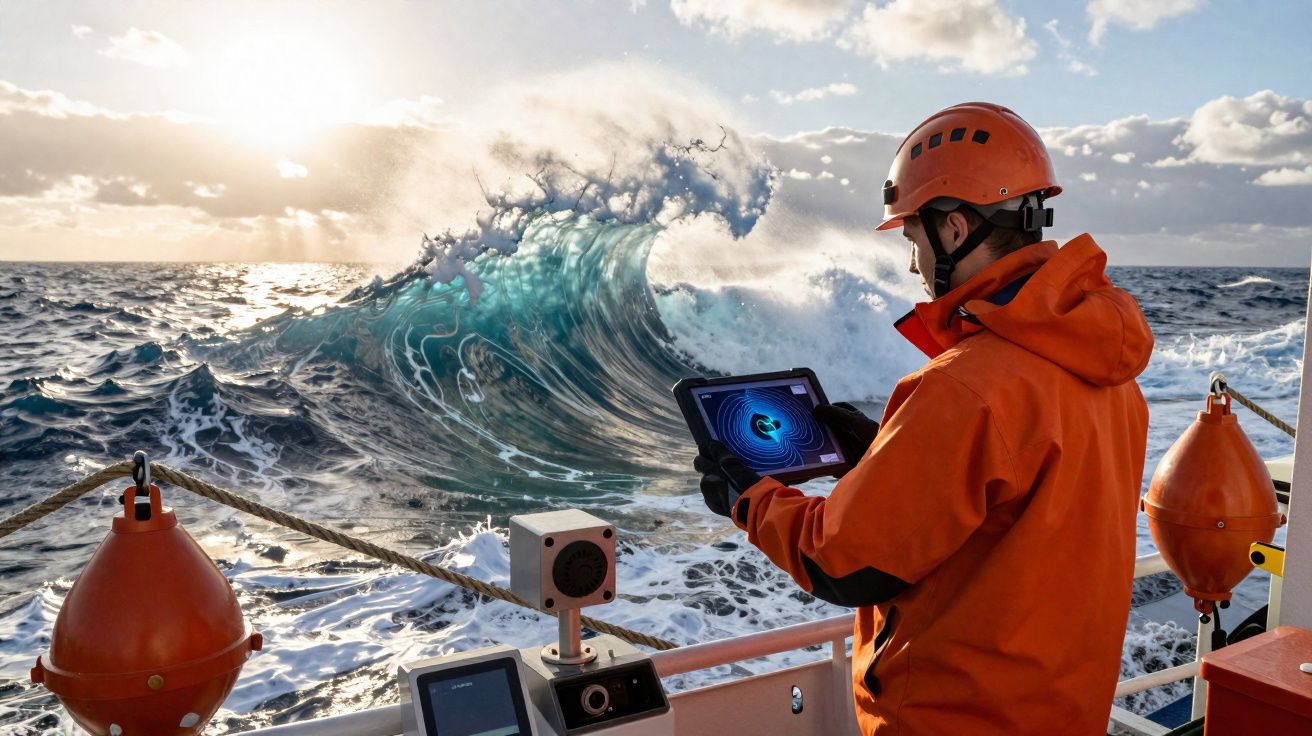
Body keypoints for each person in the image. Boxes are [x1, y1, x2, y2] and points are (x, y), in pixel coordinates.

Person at [693, 102, 1153, 735]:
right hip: (1064, 711)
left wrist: (750, 500)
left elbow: (844, 563)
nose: (912, 265)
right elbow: (1016, 513)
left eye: (913, 238)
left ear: (955, 229)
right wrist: (886, 455)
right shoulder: (1109, 371)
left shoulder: (965, 387)